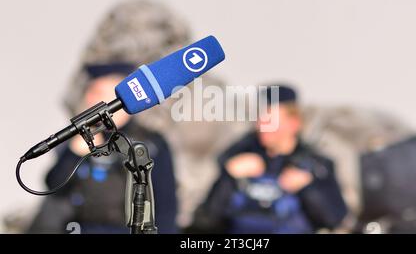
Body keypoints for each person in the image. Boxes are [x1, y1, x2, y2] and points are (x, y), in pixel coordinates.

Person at [27, 63, 178, 234]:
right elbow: (54, 187)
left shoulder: (150, 143)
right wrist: (72, 154)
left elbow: (166, 205)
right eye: (90, 92)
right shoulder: (80, 136)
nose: (91, 100)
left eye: (99, 93)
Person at [189, 85, 348, 234]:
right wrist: (228, 177)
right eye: (260, 119)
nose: (262, 125)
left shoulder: (316, 166)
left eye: (270, 119)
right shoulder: (236, 157)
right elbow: (206, 221)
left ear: (294, 123)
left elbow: (334, 219)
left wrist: (309, 188)